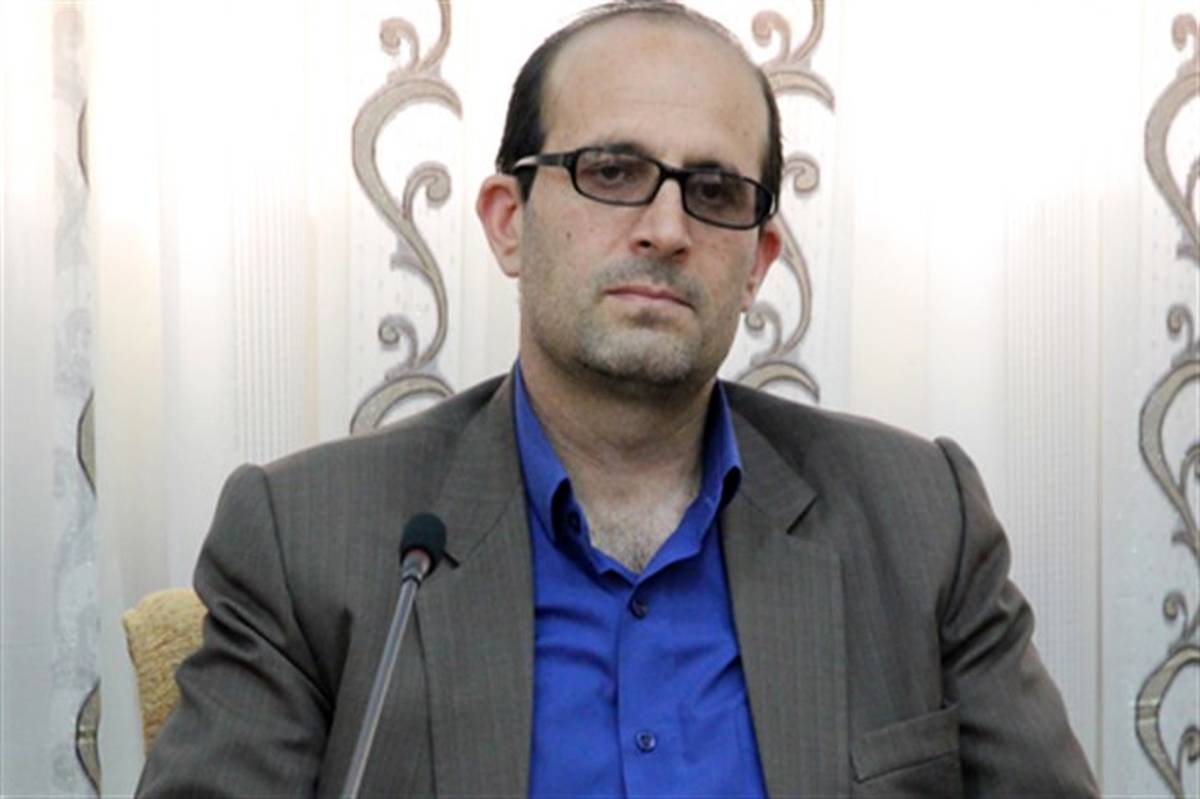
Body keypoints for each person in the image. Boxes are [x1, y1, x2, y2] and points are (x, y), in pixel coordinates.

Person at [137, 2, 1099, 796]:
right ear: (509, 223)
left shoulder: (919, 520)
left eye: (714, 191)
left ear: (758, 262)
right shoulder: (311, 541)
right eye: (612, 172)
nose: (667, 227)